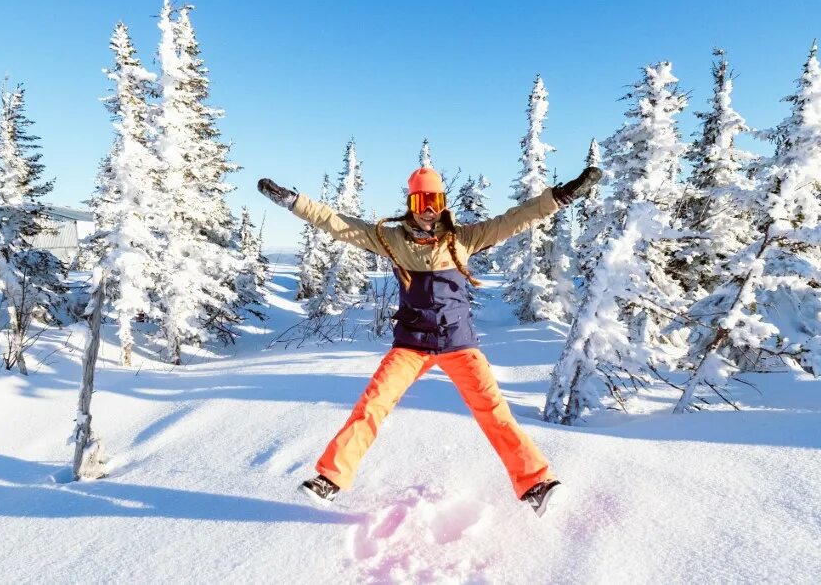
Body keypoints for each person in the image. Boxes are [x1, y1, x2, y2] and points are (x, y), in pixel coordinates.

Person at [258, 164, 601, 516]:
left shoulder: (463, 239)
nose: (427, 209)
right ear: (411, 203)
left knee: (494, 412)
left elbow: (516, 218)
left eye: (434, 199)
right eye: (421, 200)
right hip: (410, 346)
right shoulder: (392, 241)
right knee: (372, 405)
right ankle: (330, 477)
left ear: (443, 203)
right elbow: (338, 223)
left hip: (459, 345)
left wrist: (562, 195)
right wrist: (293, 201)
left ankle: (536, 485)